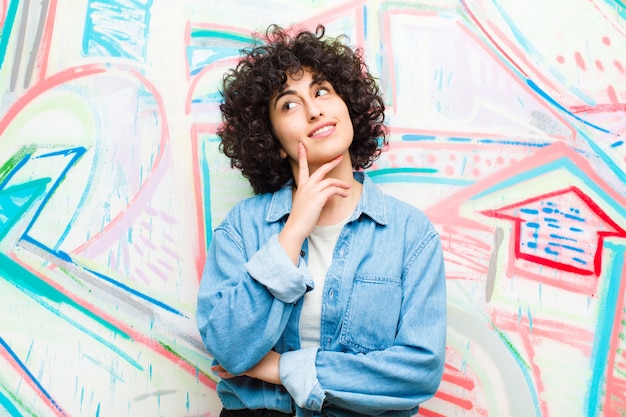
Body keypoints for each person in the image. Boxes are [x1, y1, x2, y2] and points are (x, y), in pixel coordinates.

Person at [196, 23, 447, 417]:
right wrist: (293, 230)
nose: (314, 109)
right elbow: (228, 347)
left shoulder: (410, 235)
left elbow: (419, 371)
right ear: (274, 142)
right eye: (289, 104)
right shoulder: (242, 229)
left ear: (346, 105)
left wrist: (281, 369)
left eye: (321, 91)